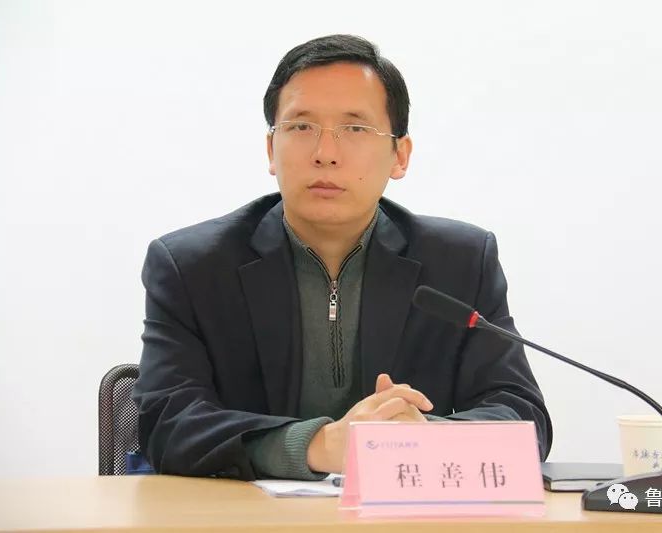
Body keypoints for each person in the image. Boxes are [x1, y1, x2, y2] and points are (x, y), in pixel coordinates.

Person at [132, 34, 552, 481]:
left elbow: (522, 417)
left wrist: (420, 438)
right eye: (301, 127)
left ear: (400, 155)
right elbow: (167, 423)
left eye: (355, 129)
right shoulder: (192, 267)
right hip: (244, 514)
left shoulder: (460, 263)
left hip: (406, 512)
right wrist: (319, 445)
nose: (325, 154)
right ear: (271, 150)